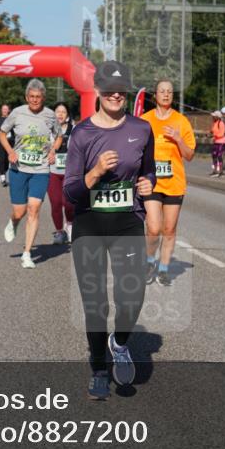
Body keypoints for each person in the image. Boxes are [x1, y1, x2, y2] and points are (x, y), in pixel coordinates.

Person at [63, 60, 155, 400]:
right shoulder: (83, 133)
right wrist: (96, 172)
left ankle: (119, 342)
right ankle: (99, 368)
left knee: (132, 297)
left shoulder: (142, 129)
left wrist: (148, 184)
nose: (116, 94)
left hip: (126, 220)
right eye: (110, 89)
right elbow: (71, 192)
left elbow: (148, 172)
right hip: (89, 221)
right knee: (95, 302)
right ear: (99, 91)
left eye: (122, 89)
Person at [0, 80, 61, 268]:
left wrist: (52, 151)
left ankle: (27, 254)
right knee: (20, 211)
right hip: (19, 168)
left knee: (34, 209)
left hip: (40, 169)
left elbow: (58, 136)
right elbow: (2, 134)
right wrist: (10, 151)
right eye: (31, 97)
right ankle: (14, 221)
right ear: (27, 97)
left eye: (38, 97)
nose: (35, 100)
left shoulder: (50, 115)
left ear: (43, 98)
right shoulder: (17, 113)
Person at [140, 79, 195, 286]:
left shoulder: (181, 121)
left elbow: (189, 155)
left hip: (174, 183)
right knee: (154, 228)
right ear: (155, 95)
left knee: (169, 229)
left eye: (170, 92)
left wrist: (179, 139)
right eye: (162, 91)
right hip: (151, 182)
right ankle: (148, 261)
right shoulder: (144, 121)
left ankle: (163, 269)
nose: (166, 95)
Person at [47, 102, 75, 244]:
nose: (60, 114)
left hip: (70, 173)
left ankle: (69, 225)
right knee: (56, 203)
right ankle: (59, 231)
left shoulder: (75, 130)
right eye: (57, 111)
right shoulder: (47, 130)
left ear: (67, 116)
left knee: (69, 203)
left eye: (63, 112)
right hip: (52, 172)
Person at [0, 104, 12, 186]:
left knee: (7, 160)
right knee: (1, 159)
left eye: (6, 109)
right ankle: (2, 177)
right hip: (0, 142)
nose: (5, 110)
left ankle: (4, 172)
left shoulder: (12, 119)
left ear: (9, 110)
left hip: (10, 142)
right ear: (1, 110)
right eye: (3, 109)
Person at [210, 110, 225, 177]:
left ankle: (221, 171)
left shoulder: (221, 123)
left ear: (217, 117)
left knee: (219, 156)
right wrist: (210, 133)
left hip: (221, 142)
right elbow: (212, 131)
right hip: (216, 141)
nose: (213, 117)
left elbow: (221, 133)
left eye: (214, 116)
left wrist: (214, 135)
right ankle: (215, 170)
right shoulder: (215, 123)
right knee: (214, 155)